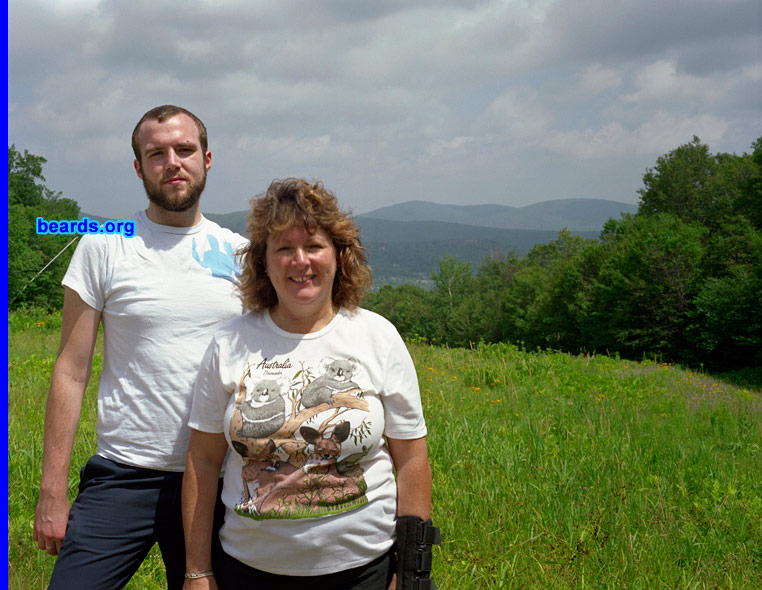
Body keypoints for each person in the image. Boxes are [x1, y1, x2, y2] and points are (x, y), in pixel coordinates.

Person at [182, 178, 440, 589]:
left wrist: (410, 576)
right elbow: (202, 461)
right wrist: (198, 571)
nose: (300, 261)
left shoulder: (378, 336)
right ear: (263, 263)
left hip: (362, 571)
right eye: (283, 248)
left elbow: (411, 460)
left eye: (314, 246)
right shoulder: (229, 342)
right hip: (248, 572)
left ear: (339, 256)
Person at [32, 105, 248, 590]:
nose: (172, 162)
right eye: (156, 153)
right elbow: (70, 370)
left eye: (185, 150)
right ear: (139, 167)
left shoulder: (242, 254)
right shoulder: (104, 244)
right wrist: (52, 491)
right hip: (121, 473)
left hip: (216, 478)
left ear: (207, 159)